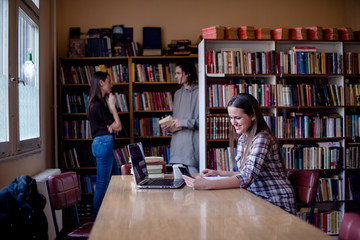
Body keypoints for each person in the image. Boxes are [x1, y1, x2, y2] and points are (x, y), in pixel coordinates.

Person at [183, 93, 296, 214]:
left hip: (275, 201)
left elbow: (246, 178)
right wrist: (219, 173)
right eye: (231, 118)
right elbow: (247, 172)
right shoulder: (243, 138)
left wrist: (207, 184)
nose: (233, 122)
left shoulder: (262, 138)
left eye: (237, 118)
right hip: (256, 197)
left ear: (253, 115)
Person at [87, 71, 122, 220]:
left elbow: (110, 125)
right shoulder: (98, 104)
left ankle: (115, 215)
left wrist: (110, 125)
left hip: (101, 143)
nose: (111, 84)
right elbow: (118, 126)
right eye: (109, 81)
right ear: (101, 83)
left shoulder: (95, 103)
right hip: (103, 144)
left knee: (116, 180)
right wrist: (113, 106)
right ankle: (96, 223)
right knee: (102, 185)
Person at [162, 62, 199, 174]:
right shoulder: (177, 94)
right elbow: (176, 120)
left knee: (194, 181)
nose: (176, 76)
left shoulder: (200, 92)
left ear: (187, 73)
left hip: (191, 149)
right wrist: (170, 126)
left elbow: (203, 122)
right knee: (177, 183)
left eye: (178, 73)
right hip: (176, 147)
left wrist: (181, 122)